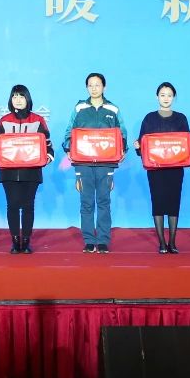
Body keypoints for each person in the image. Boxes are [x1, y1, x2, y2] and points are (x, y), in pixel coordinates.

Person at [62, 72, 128, 254]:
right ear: (86, 88)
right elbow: (69, 132)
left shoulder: (113, 109)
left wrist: (122, 150)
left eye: (97, 84)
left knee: (104, 202)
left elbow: (122, 133)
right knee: (86, 202)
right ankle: (89, 240)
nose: (94, 88)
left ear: (104, 87)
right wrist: (68, 149)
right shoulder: (79, 108)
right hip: (83, 164)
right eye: (90, 85)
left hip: (106, 164)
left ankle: (103, 240)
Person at [0, 84, 52, 254]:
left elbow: (47, 144)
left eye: (21, 96)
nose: (17, 100)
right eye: (14, 96)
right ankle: (14, 241)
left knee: (28, 206)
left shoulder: (38, 120)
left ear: (27, 98)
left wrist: (47, 157)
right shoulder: (4, 120)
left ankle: (25, 241)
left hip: (31, 172)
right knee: (12, 205)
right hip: (8, 172)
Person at [135, 81, 190, 254]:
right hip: (155, 169)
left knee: (174, 203)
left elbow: (186, 143)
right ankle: (161, 242)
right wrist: (138, 146)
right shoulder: (149, 118)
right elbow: (142, 143)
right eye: (162, 95)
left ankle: (172, 242)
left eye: (169, 95)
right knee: (158, 203)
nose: (166, 98)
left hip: (175, 168)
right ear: (157, 97)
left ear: (174, 98)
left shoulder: (181, 118)